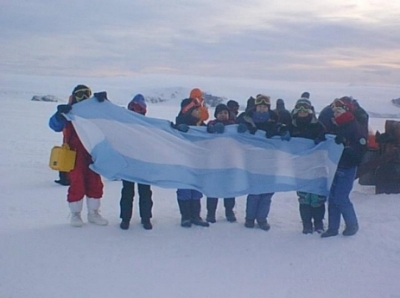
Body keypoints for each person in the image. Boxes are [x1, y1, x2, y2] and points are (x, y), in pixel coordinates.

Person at [48, 85, 108, 227]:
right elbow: (54, 125)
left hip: (92, 152)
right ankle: (75, 214)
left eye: (86, 94)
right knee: (77, 183)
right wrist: (59, 114)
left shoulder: (95, 111)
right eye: (80, 94)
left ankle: (93, 213)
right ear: (74, 96)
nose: (83, 97)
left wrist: (105, 103)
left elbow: (111, 121)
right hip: (73, 154)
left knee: (95, 182)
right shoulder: (68, 111)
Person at [236, 94, 290, 231]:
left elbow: (283, 128)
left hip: (271, 162)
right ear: (255, 107)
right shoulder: (246, 119)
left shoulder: (274, 121)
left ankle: (262, 218)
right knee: (254, 192)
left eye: (264, 107)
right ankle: (249, 218)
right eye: (259, 106)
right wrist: (241, 128)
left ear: (268, 108)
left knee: (267, 193)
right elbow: (235, 126)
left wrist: (282, 131)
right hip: (253, 162)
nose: (261, 109)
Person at [321, 97, 367, 238]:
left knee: (341, 197)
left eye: (339, 111)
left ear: (346, 111)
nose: (335, 114)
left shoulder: (355, 127)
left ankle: (352, 224)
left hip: (347, 168)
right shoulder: (336, 125)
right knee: (332, 197)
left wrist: (345, 149)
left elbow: (360, 151)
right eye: (334, 111)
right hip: (335, 166)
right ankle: (333, 228)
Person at [288, 98, 327, 234]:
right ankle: (306, 224)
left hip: (317, 166)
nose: (302, 111)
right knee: (304, 197)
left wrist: (324, 139)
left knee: (317, 197)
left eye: (305, 108)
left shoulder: (318, 126)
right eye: (299, 108)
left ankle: (318, 222)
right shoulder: (291, 126)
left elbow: (328, 139)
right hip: (300, 167)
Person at [172, 97, 210, 228]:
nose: (198, 112)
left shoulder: (202, 126)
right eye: (195, 110)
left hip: (198, 162)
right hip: (184, 162)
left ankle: (196, 215)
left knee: (196, 190)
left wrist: (213, 130)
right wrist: (178, 129)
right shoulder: (179, 124)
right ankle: (185, 216)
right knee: (184, 189)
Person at [119, 94, 154, 230]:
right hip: (128, 163)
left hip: (144, 163)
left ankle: (146, 218)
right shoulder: (123, 123)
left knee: (145, 192)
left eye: (139, 108)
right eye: (133, 108)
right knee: (127, 192)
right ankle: (125, 218)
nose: (136, 111)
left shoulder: (149, 126)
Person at [205, 104, 237, 223]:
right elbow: (206, 130)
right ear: (216, 115)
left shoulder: (233, 126)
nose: (223, 115)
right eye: (220, 113)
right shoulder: (211, 124)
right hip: (214, 163)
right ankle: (211, 212)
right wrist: (211, 128)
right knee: (213, 188)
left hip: (229, 162)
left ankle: (229, 211)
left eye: (225, 113)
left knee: (229, 189)